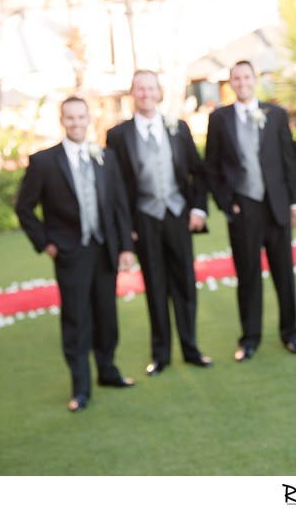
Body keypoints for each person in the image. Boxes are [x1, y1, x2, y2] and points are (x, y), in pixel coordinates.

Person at [15, 96, 136, 412]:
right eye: (70, 118)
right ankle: (80, 387)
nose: (76, 123)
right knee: (76, 319)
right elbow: (24, 208)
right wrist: (47, 243)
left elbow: (120, 205)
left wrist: (125, 246)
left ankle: (108, 371)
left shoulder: (105, 157)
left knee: (106, 316)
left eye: (81, 117)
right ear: (61, 121)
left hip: (105, 248)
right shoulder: (44, 162)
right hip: (70, 252)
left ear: (89, 119)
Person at [106, 70, 213, 375]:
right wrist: (127, 227)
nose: (146, 94)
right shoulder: (117, 135)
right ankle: (161, 354)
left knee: (185, 285)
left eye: (151, 88)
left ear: (159, 92)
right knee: (154, 286)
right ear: (132, 93)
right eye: (140, 89)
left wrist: (198, 209)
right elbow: (116, 189)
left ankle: (191, 348)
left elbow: (198, 172)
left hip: (178, 214)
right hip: (145, 219)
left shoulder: (178, 127)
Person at [204, 61, 296, 361]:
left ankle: (291, 334)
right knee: (247, 275)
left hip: (276, 205)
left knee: (284, 274)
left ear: (254, 80)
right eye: (236, 78)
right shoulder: (219, 119)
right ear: (231, 84)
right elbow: (211, 167)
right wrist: (227, 202)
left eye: (246, 76)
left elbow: (289, 158)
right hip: (243, 207)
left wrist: (295, 201)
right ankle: (249, 338)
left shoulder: (274, 114)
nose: (242, 82)